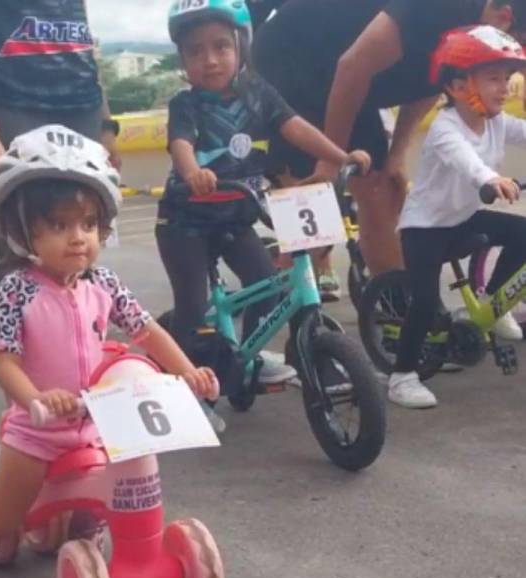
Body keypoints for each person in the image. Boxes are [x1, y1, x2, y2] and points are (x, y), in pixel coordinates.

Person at [0, 126, 219, 567]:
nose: (78, 237)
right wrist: (35, 400)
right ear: (23, 231)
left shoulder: (103, 283)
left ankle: (71, 527)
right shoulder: (16, 290)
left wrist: (186, 371)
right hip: (36, 434)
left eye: (88, 224)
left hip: (96, 426)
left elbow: (146, 331)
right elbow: (4, 362)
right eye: (59, 225)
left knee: (99, 506)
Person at [156, 0, 371, 384]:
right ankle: (187, 388)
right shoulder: (184, 105)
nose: (210, 60)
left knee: (265, 287)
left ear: (241, 46)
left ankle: (246, 358)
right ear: (183, 61)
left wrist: (341, 156)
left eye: (221, 46)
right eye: (196, 51)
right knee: (193, 307)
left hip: (237, 216)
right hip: (184, 221)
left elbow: (297, 128)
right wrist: (193, 172)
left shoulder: (259, 94)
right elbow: (181, 146)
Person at [253, 0, 526, 291]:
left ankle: (397, 305)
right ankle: (296, 284)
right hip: (292, 57)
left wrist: (397, 154)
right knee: (311, 186)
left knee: (379, 187)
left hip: (351, 74)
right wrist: (330, 157)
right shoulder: (441, 8)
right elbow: (352, 67)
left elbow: (431, 84)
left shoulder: (475, 37)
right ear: (504, 16)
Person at [0, 0, 122, 314]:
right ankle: (13, 363)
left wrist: (106, 122)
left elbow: (79, 23)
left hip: (82, 107)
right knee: (20, 252)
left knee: (81, 253)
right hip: (8, 105)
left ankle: (79, 357)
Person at [387, 26, 526, 409]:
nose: (504, 88)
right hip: (425, 228)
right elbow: (466, 162)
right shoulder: (446, 128)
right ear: (458, 85)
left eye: (507, 78)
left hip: (463, 218)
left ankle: (493, 304)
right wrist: (492, 178)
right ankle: (401, 376)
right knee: (426, 301)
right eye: (493, 78)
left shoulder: (497, 122)